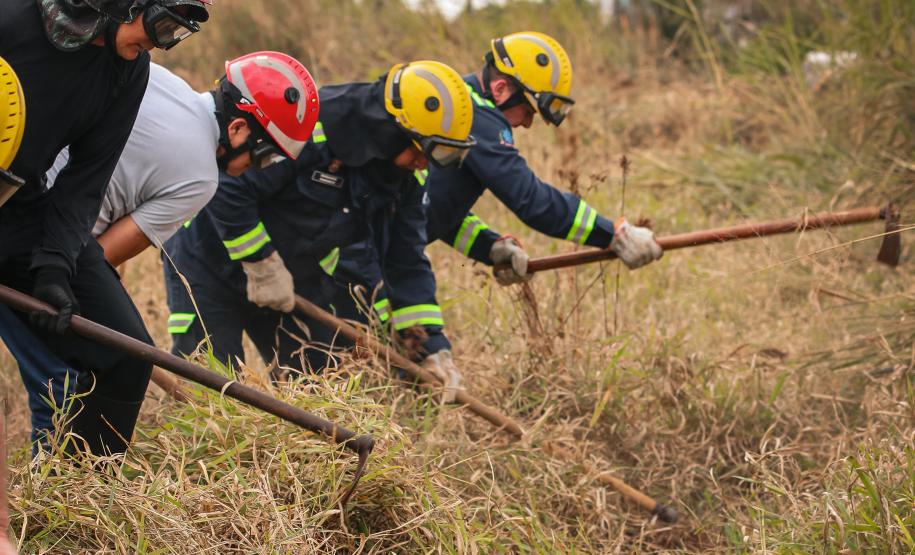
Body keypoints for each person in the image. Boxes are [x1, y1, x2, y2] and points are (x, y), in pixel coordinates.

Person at [0, 53, 319, 449]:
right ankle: (70, 491)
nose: (259, 168)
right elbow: (104, 252)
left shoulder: (159, 79)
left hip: (14, 183)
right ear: (238, 129)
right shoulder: (201, 177)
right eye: (266, 154)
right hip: (36, 239)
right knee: (86, 373)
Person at [334, 32, 663, 381]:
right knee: (355, 367)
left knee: (383, 370)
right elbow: (531, 200)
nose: (526, 122)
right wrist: (612, 234)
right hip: (356, 256)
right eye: (527, 109)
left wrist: (487, 246)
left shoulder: (454, 111)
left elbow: (428, 205)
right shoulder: (476, 115)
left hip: (380, 251)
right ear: (502, 88)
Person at [163, 60, 475, 399]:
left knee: (316, 393)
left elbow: (406, 259)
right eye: (425, 149)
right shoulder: (307, 127)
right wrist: (261, 263)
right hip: (208, 265)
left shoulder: (405, 177)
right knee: (208, 386)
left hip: (295, 280)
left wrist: (431, 345)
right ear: (395, 130)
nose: (425, 162)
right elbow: (228, 185)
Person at [0, 0, 210, 456]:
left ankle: (73, 501)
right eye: (161, 25)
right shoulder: (14, 17)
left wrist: (54, 266)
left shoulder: (128, 70)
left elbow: (85, 180)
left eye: (175, 33)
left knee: (129, 356)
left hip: (19, 207)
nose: (158, 43)